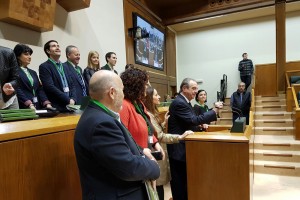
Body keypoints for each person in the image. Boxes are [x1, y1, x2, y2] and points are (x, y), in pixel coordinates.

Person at [74, 70, 160, 200]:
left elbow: (115, 150)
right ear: (112, 93)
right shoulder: (101, 123)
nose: (124, 94)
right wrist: (153, 166)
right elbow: (128, 167)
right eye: (122, 90)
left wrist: (142, 151)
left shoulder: (99, 116)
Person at [167, 78, 223, 200]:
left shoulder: (185, 102)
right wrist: (213, 111)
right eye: (193, 88)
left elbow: (188, 122)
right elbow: (192, 120)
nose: (196, 91)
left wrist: (199, 125)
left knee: (185, 183)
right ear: (184, 88)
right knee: (180, 184)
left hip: (184, 147)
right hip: (178, 149)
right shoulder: (180, 102)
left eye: (197, 88)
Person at [143, 86, 193, 200]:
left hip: (160, 151)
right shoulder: (149, 115)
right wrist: (179, 137)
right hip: (156, 152)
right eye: (156, 95)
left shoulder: (152, 112)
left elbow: (157, 131)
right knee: (159, 186)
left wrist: (164, 123)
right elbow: (159, 136)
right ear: (149, 98)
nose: (159, 96)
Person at [119, 67, 165, 160]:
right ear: (136, 86)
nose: (148, 86)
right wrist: (141, 150)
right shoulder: (124, 105)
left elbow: (148, 126)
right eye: (146, 84)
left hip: (145, 155)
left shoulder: (139, 102)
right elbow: (123, 137)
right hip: (134, 159)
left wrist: (155, 143)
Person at [13, 44, 54, 110]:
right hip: (24, 105)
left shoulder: (33, 72)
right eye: (26, 54)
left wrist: (46, 103)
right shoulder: (14, 71)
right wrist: (28, 103)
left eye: (30, 55)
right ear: (18, 56)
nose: (29, 57)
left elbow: (39, 89)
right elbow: (17, 89)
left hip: (37, 105)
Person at [39, 40, 76, 112]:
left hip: (71, 106)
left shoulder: (65, 66)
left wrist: (73, 99)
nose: (57, 47)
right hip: (57, 107)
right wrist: (67, 100)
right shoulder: (44, 66)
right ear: (48, 51)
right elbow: (49, 86)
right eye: (54, 46)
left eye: (58, 46)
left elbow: (72, 85)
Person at [0, 45, 19, 110]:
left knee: (16, 120)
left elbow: (15, 78)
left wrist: (10, 84)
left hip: (8, 99)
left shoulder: (9, 53)